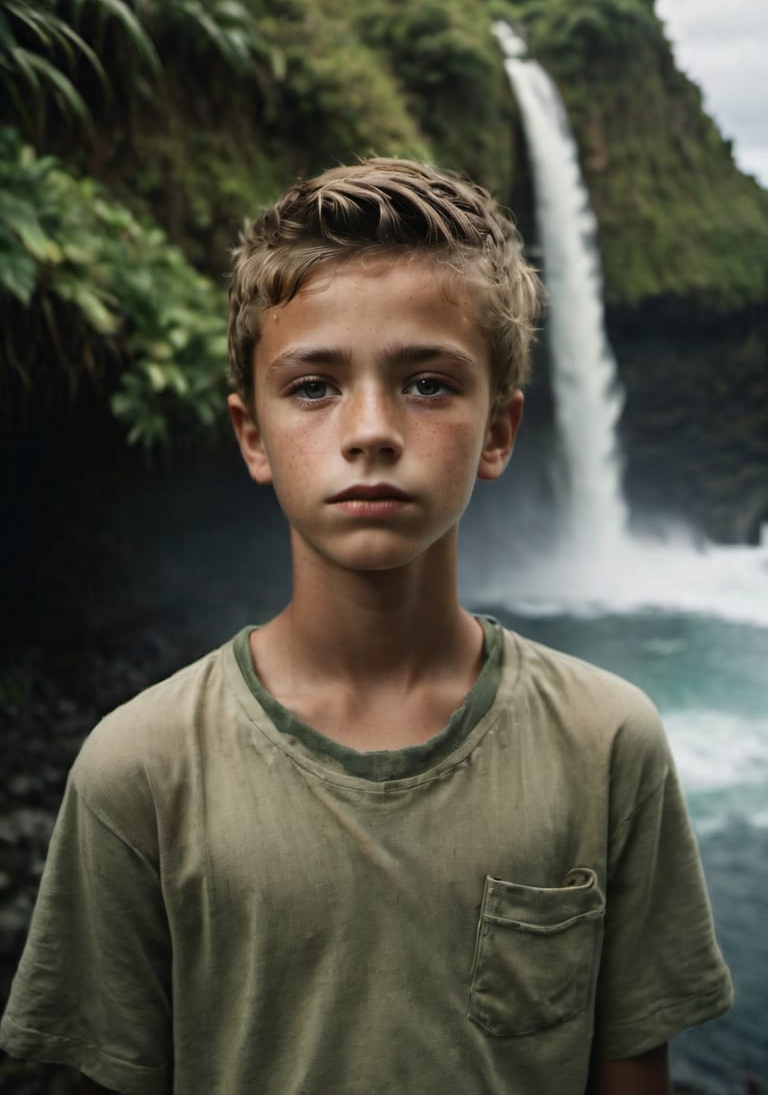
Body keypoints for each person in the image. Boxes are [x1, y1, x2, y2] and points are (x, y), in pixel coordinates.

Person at [1, 158, 732, 1094]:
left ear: (500, 431)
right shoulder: (140, 769)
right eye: (313, 387)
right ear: (252, 435)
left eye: (428, 384)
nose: (372, 430)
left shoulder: (605, 745)